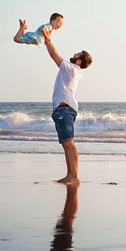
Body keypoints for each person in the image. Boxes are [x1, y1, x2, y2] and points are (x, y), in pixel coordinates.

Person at [41, 26, 92, 184]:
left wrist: (47, 38)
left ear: (79, 60)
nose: (75, 53)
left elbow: (53, 54)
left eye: (78, 54)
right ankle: (70, 174)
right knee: (66, 143)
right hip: (62, 109)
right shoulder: (71, 69)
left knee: (69, 143)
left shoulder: (71, 69)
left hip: (65, 109)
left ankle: (74, 176)